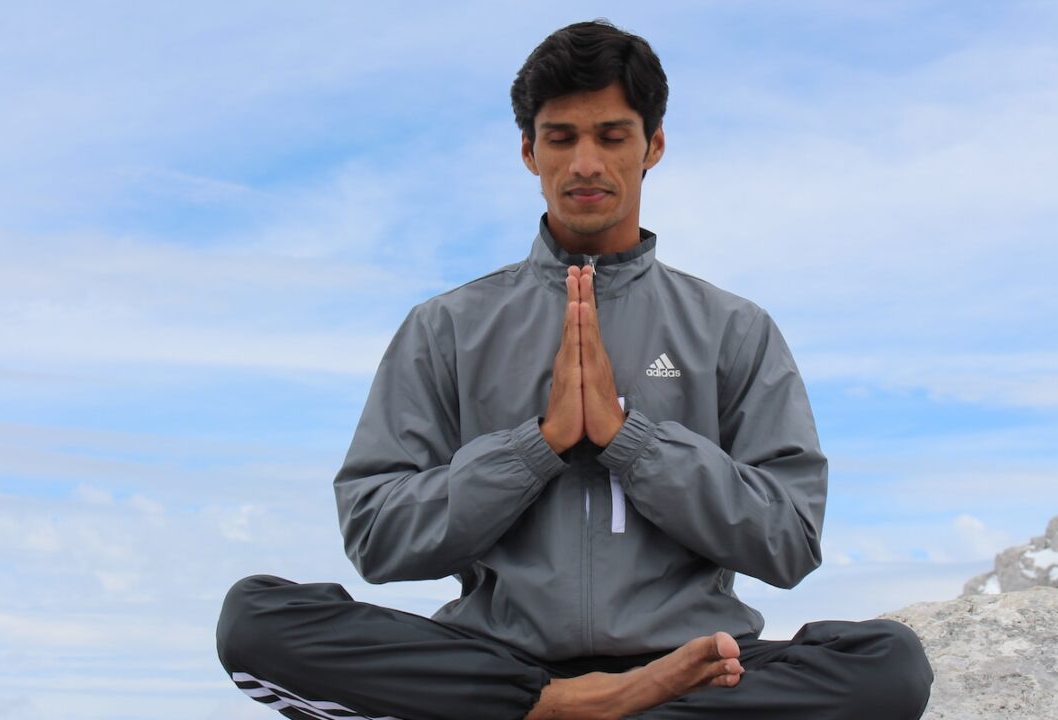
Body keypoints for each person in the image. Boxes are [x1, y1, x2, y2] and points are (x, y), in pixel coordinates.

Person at [216, 19, 933, 720]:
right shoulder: (447, 327)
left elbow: (789, 540)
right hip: (499, 660)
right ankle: (555, 706)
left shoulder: (732, 328)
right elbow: (377, 535)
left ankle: (596, 708)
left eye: (612, 136)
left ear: (652, 145)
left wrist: (633, 442)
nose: (586, 162)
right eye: (561, 138)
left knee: (890, 664)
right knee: (255, 618)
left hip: (687, 667)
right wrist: (538, 445)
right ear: (529, 151)